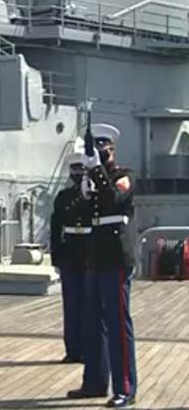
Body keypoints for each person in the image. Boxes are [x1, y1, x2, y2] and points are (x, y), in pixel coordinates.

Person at [69, 124, 137, 408]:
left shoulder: (124, 176)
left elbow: (114, 200)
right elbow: (80, 212)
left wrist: (96, 172)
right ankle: (94, 382)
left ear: (111, 149)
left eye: (102, 147)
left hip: (115, 254)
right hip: (95, 253)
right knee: (92, 322)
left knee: (117, 323)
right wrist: (84, 190)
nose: (97, 153)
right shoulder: (92, 179)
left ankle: (124, 388)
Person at [51, 151, 92, 365]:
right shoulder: (63, 197)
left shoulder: (92, 194)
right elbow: (56, 226)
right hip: (69, 252)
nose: (77, 173)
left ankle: (88, 348)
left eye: (81, 169)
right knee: (71, 303)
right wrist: (55, 257)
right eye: (74, 169)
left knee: (89, 302)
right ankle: (72, 349)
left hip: (89, 251)